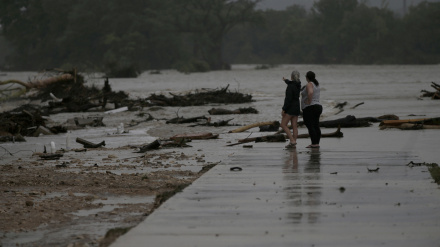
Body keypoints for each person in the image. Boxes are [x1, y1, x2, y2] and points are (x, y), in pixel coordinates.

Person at [301, 71, 322, 148]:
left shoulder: (309, 84)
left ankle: (314, 143)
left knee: (309, 124)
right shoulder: (317, 84)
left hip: (310, 107)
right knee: (316, 125)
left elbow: (310, 93)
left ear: (307, 77)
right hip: (318, 106)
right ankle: (316, 143)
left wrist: (309, 102)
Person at [281, 70, 301, 148]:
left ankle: (292, 140)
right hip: (296, 107)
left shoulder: (290, 86)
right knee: (294, 126)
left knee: (283, 124)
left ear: (292, 76)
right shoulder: (298, 84)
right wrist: (285, 80)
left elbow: (288, 99)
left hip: (290, 108)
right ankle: (293, 143)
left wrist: (284, 109)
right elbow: (290, 82)